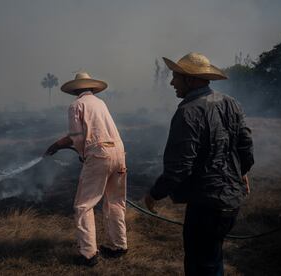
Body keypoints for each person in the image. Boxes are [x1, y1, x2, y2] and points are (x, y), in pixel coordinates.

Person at [145, 53, 254, 275]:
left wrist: (155, 193)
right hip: (230, 201)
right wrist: (240, 173)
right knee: (213, 258)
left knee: (200, 265)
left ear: (191, 79)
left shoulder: (188, 112)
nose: (172, 82)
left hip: (206, 205)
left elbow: (180, 166)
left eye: (176, 77)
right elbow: (245, 146)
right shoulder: (231, 103)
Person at [45, 72, 128, 267]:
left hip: (99, 155)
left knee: (83, 205)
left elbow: (77, 138)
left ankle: (88, 254)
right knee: (115, 200)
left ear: (75, 89)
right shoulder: (100, 103)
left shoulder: (76, 105)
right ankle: (118, 245)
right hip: (119, 151)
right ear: (91, 88)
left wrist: (58, 146)